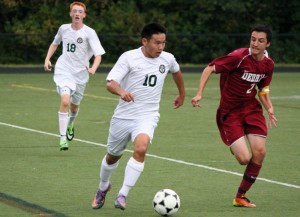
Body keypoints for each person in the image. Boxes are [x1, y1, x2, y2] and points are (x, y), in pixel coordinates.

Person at [91, 23, 185, 210]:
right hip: (123, 117)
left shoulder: (167, 59)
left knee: (141, 149)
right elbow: (110, 83)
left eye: (163, 43)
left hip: (147, 116)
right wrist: (122, 92)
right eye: (156, 43)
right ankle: (103, 187)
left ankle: (122, 194)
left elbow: (176, 72)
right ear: (144, 41)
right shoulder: (129, 57)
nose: (161, 47)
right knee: (112, 156)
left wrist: (182, 94)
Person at [191, 24, 277, 208]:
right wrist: (199, 93)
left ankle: (240, 196)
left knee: (260, 152)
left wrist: (269, 107)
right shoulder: (238, 57)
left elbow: (262, 89)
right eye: (253, 39)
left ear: (267, 44)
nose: (255, 43)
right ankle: (234, 145)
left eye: (260, 41)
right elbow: (209, 68)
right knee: (244, 158)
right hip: (230, 112)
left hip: (251, 110)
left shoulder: (268, 65)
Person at [44, 2, 105, 151]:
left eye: (80, 11)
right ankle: (63, 138)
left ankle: (71, 125)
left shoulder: (89, 32)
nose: (77, 13)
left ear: (84, 15)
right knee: (65, 101)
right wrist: (47, 58)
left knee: (74, 106)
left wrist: (93, 68)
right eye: (75, 11)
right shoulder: (63, 29)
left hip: (81, 74)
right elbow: (55, 43)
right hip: (63, 70)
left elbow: (98, 54)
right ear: (70, 14)